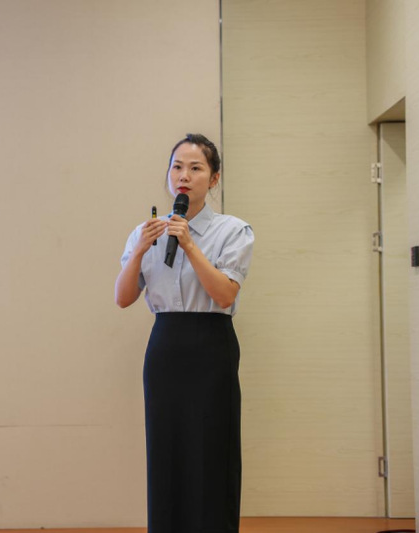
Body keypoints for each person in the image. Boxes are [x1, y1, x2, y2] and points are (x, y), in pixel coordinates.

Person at [115, 133, 254, 533]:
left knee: (213, 450)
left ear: (214, 179)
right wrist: (140, 251)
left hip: (211, 345)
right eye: (177, 167)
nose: (184, 176)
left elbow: (224, 294)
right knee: (167, 449)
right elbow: (123, 298)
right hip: (166, 348)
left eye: (196, 168)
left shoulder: (233, 231)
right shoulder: (147, 232)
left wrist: (190, 245)